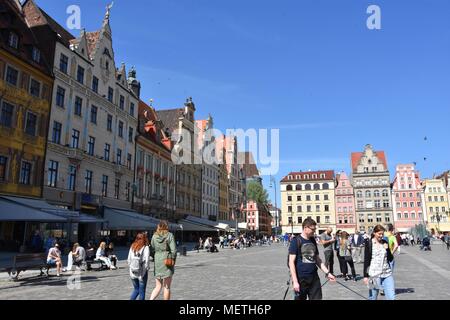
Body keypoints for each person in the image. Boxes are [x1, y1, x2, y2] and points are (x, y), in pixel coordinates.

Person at [288, 218, 336, 300]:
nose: (314, 231)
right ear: (305, 228)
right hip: (301, 278)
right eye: (313, 229)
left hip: (314, 278)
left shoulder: (313, 240)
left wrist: (328, 273)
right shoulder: (295, 241)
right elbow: (291, 262)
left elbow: (317, 260)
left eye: (315, 229)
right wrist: (295, 282)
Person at [363, 225, 395, 300]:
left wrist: (387, 249)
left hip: (387, 273)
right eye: (379, 234)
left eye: (382, 234)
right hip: (374, 274)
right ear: (374, 233)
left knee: (391, 297)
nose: (381, 236)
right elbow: (366, 260)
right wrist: (365, 276)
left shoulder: (385, 242)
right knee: (373, 297)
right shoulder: (369, 243)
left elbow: (390, 259)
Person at [150, 220, 177, 300]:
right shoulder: (169, 235)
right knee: (167, 286)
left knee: (158, 286)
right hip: (167, 260)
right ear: (167, 227)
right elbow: (174, 250)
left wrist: (155, 257)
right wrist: (173, 260)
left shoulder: (154, 236)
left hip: (158, 260)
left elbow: (151, 249)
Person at [128, 233, 150, 300]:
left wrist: (132, 267)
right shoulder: (145, 247)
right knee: (142, 292)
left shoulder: (132, 246)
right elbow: (147, 261)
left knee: (136, 289)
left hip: (132, 272)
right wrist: (147, 268)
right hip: (142, 273)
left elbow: (128, 260)